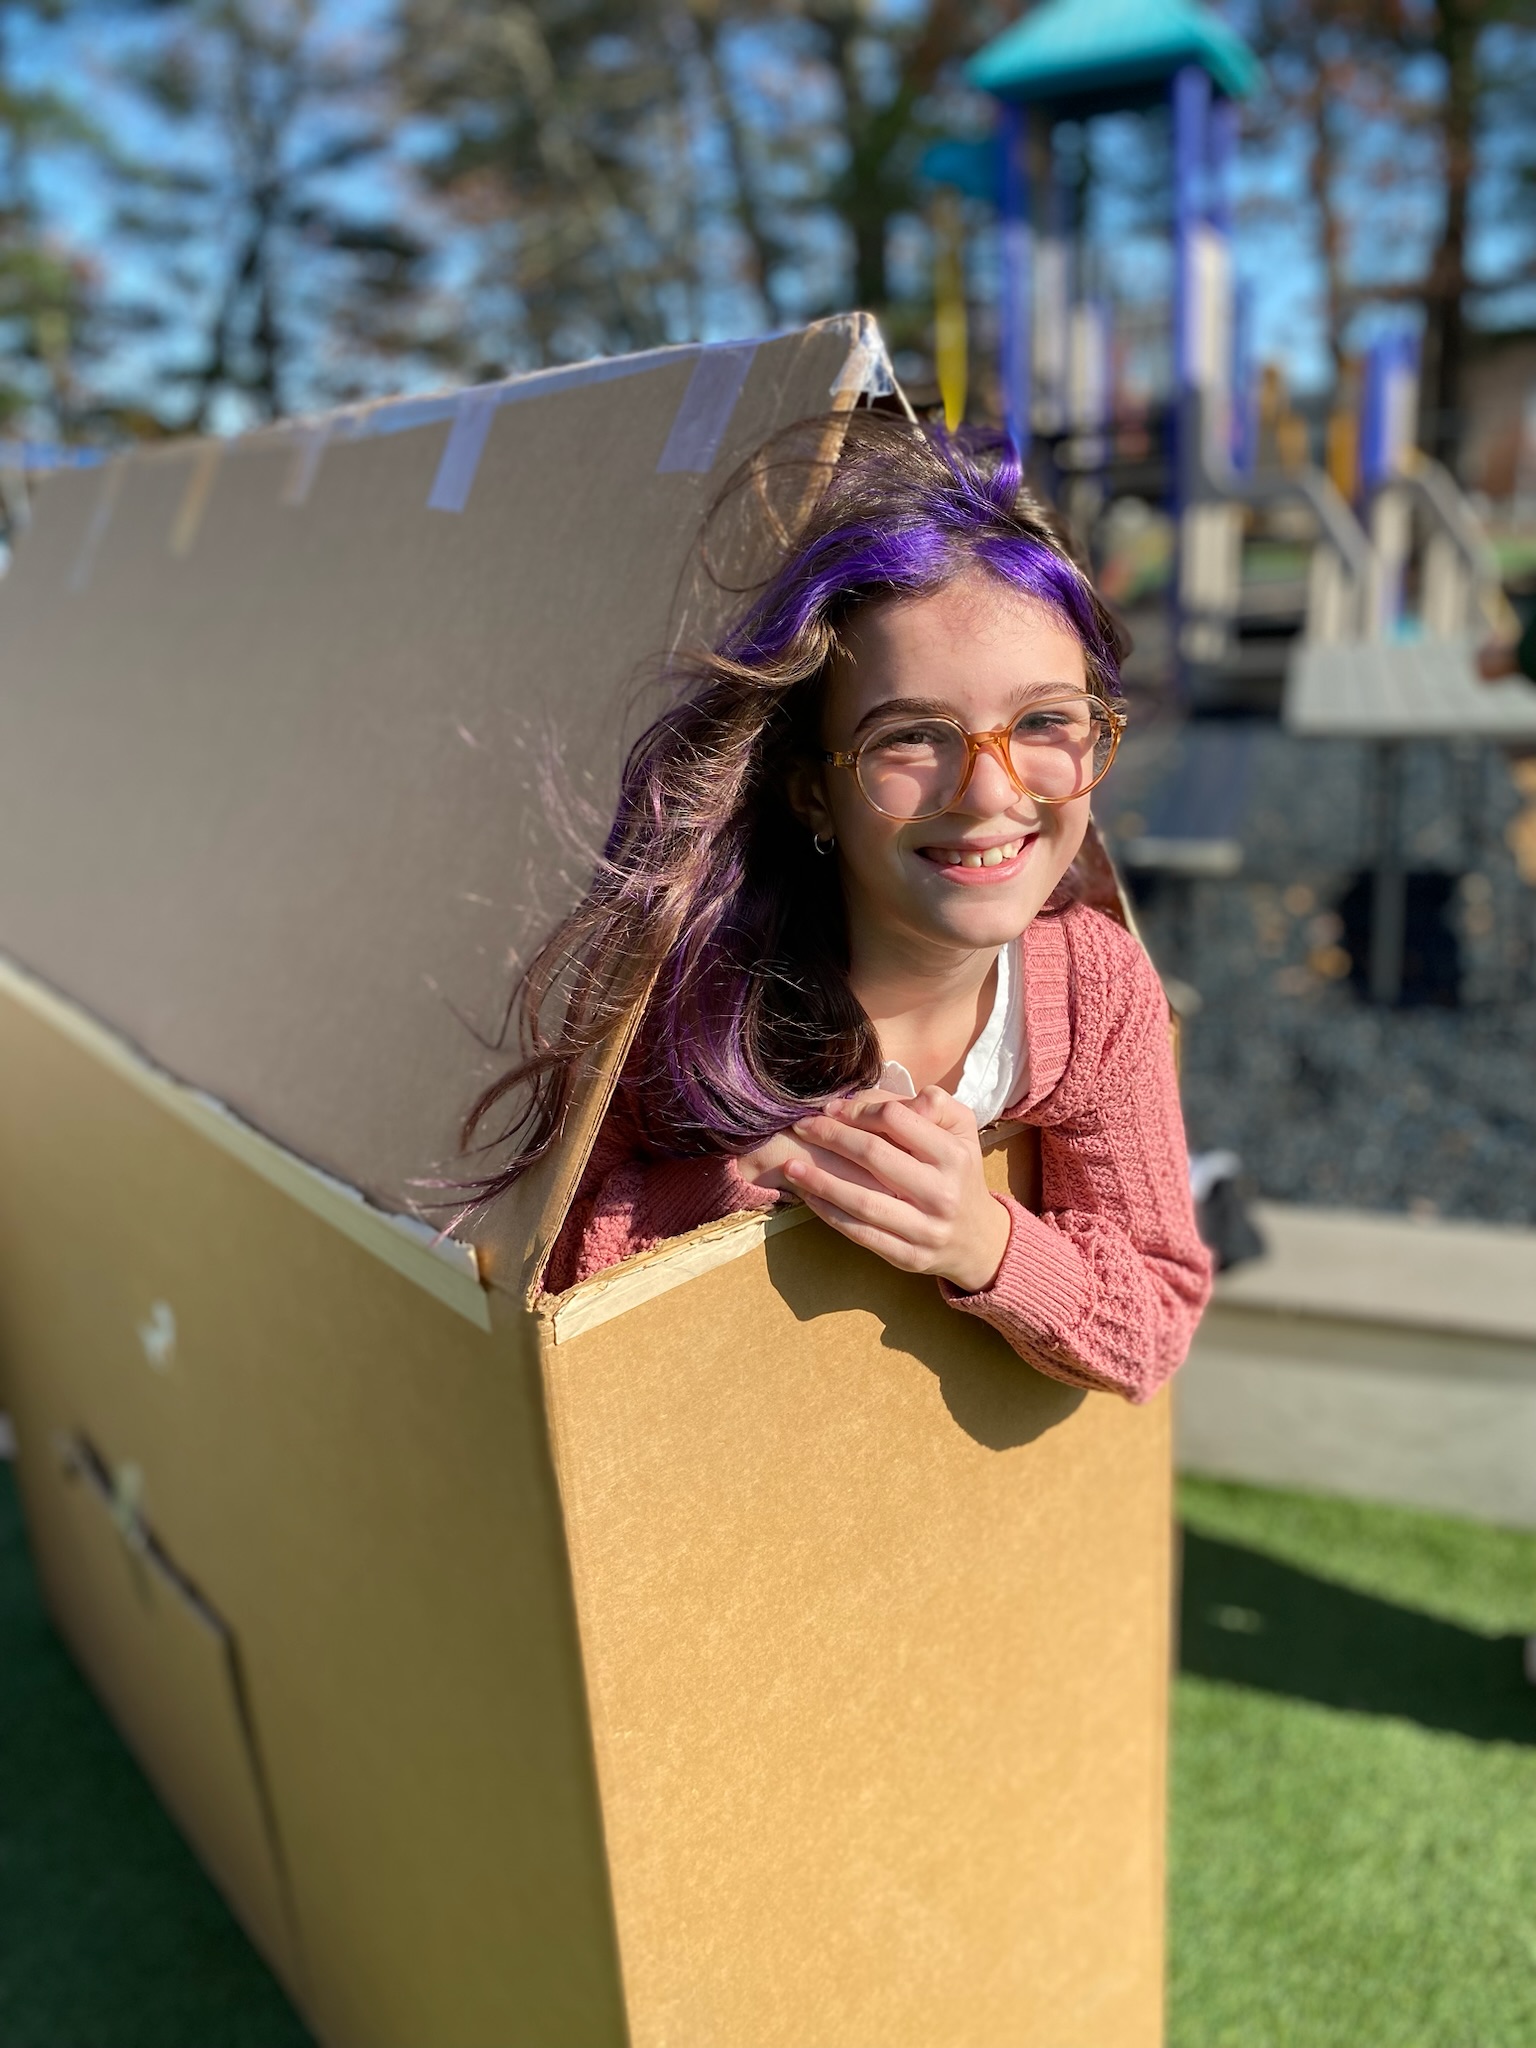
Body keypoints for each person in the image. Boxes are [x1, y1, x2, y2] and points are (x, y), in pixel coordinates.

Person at [464, 414, 1213, 1404]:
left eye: (1043, 721)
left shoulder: (1094, 990)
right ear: (811, 789)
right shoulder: (685, 1004)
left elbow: (1157, 1315)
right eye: (911, 737)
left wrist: (984, 1239)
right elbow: (534, 1278)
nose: (991, 793)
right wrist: (746, 1183)